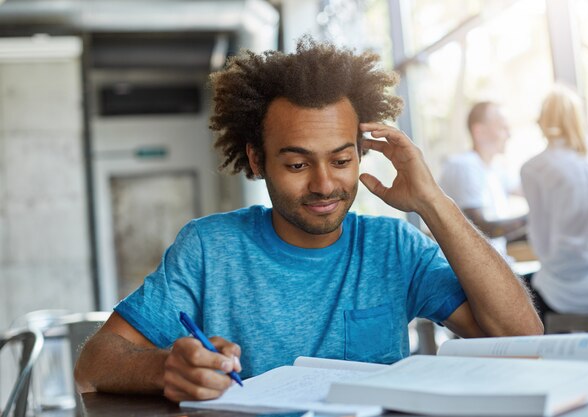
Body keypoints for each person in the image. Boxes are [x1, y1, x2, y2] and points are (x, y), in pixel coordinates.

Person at [74, 38, 542, 402]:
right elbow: (94, 364)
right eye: (298, 165)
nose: (323, 184)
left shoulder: (393, 247)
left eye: (341, 161)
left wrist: (433, 202)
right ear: (256, 161)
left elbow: (523, 340)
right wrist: (164, 369)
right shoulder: (209, 248)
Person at [521, 85, 588, 318]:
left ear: (543, 121)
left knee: (513, 292)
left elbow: (541, 243)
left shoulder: (535, 168)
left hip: (568, 294)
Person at [439, 102, 527, 259]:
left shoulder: (495, 168)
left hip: (496, 266)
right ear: (478, 131)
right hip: (473, 273)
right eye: (502, 128)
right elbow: (481, 228)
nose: (509, 135)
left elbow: (527, 190)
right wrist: (530, 220)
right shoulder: (465, 166)